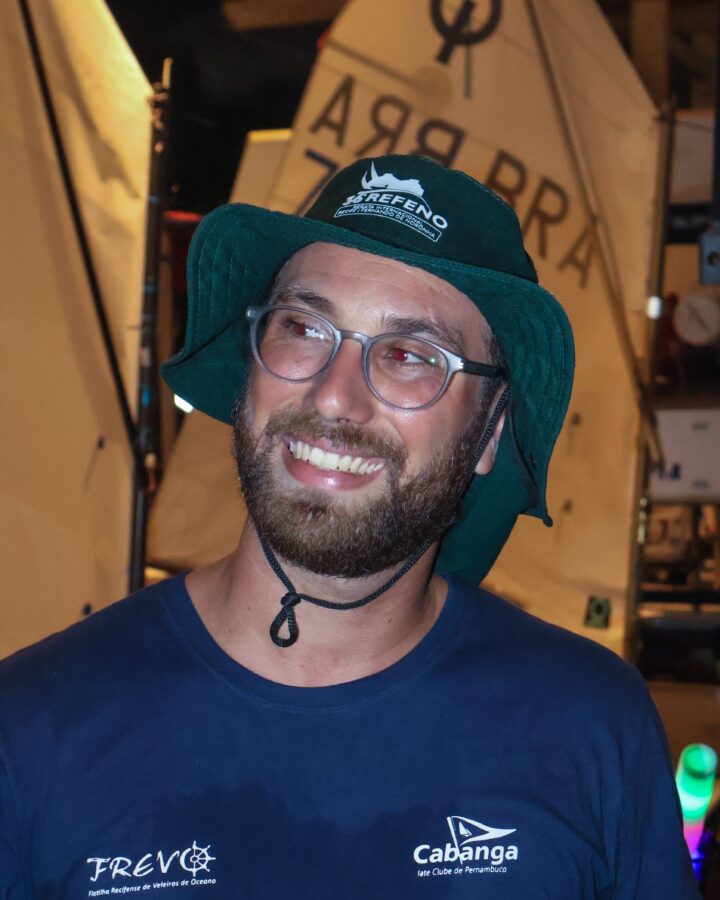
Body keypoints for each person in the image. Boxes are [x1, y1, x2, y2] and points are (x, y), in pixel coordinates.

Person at [0, 155, 698, 898]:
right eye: (304, 328)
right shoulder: (31, 725)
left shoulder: (590, 725)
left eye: (408, 356)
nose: (334, 397)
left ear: (490, 431)